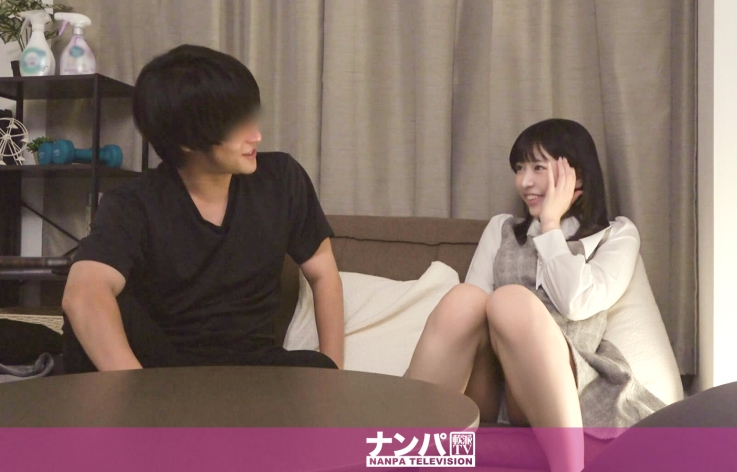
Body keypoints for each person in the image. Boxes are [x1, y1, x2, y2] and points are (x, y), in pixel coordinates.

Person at [61, 45, 343, 373]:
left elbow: (323, 272)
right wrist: (135, 393)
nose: (256, 135)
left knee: (317, 369)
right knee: (91, 315)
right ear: (187, 140)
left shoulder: (281, 178)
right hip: (163, 368)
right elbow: (82, 294)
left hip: (254, 366)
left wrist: (335, 369)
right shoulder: (133, 203)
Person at [405, 118, 665, 471]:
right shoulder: (501, 229)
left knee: (510, 301)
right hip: (493, 384)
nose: (524, 181)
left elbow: (577, 303)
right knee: (464, 299)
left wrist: (551, 225)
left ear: (578, 176)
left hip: (566, 383)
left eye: (538, 168)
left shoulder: (615, 235)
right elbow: (473, 317)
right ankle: (403, 454)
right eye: (519, 169)